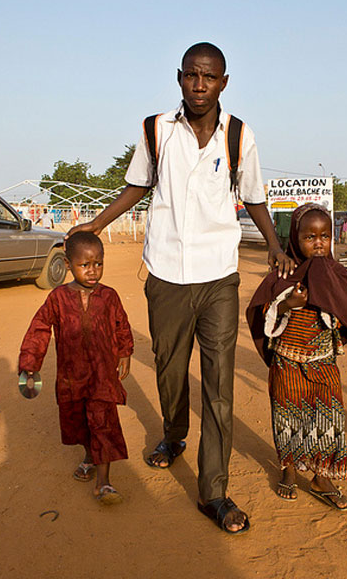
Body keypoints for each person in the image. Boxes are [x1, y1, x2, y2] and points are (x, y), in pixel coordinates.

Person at [67, 42, 292, 534]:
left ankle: (214, 491)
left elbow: (253, 196)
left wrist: (274, 243)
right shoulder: (156, 130)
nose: (199, 85)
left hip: (217, 276)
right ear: (179, 77)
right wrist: (95, 226)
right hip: (166, 273)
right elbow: (136, 186)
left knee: (219, 386)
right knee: (170, 370)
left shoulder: (238, 135)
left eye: (208, 77)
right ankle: (173, 434)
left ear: (224, 82)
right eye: (191, 75)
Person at [246, 204, 347, 510]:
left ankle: (321, 478)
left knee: (328, 419)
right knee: (287, 418)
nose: (318, 243)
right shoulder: (283, 273)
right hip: (287, 362)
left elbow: (345, 310)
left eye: (324, 236)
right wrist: (286, 305)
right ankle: (289, 471)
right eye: (309, 237)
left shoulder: (338, 273)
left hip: (323, 362)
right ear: (295, 238)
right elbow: (261, 311)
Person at [18, 231, 133, 505]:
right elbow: (39, 329)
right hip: (72, 376)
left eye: (99, 263)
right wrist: (30, 365)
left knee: (103, 422)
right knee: (79, 421)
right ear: (69, 265)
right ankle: (89, 455)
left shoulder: (109, 296)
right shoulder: (58, 298)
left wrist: (125, 352)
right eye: (85, 265)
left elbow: (122, 324)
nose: (93, 271)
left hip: (103, 375)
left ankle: (104, 483)